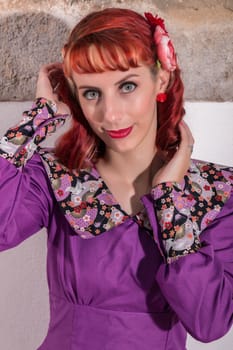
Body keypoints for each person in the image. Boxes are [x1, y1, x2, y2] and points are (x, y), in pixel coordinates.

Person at [0, 7, 232, 350]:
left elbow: (210, 323)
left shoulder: (217, 192)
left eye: (127, 85)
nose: (110, 114)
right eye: (92, 93)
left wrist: (168, 197)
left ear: (162, 79)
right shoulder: (57, 176)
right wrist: (38, 118)